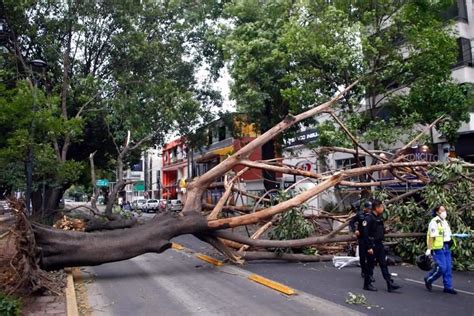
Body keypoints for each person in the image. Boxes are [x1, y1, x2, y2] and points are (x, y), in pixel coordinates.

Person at [362, 200, 401, 292]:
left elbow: (379, 230)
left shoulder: (379, 218)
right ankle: (367, 284)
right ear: (377, 208)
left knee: (384, 264)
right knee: (370, 266)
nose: (383, 209)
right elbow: (365, 234)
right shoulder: (368, 218)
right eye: (381, 207)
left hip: (379, 244)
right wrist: (369, 247)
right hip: (372, 245)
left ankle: (390, 283)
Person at [424, 205, 457, 294]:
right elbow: (431, 236)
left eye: (444, 210)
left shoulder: (445, 221)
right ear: (437, 212)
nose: (444, 212)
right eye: (442, 210)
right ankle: (429, 279)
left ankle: (448, 287)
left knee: (448, 268)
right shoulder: (434, 222)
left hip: (446, 246)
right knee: (442, 268)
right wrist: (429, 249)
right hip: (438, 248)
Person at [349, 200, 373, 280]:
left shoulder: (372, 215)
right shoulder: (359, 214)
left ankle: (370, 273)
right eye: (368, 208)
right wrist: (355, 230)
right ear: (365, 208)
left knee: (370, 256)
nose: (369, 210)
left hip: (370, 238)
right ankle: (363, 270)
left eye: (370, 208)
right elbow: (351, 222)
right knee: (362, 256)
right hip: (362, 238)